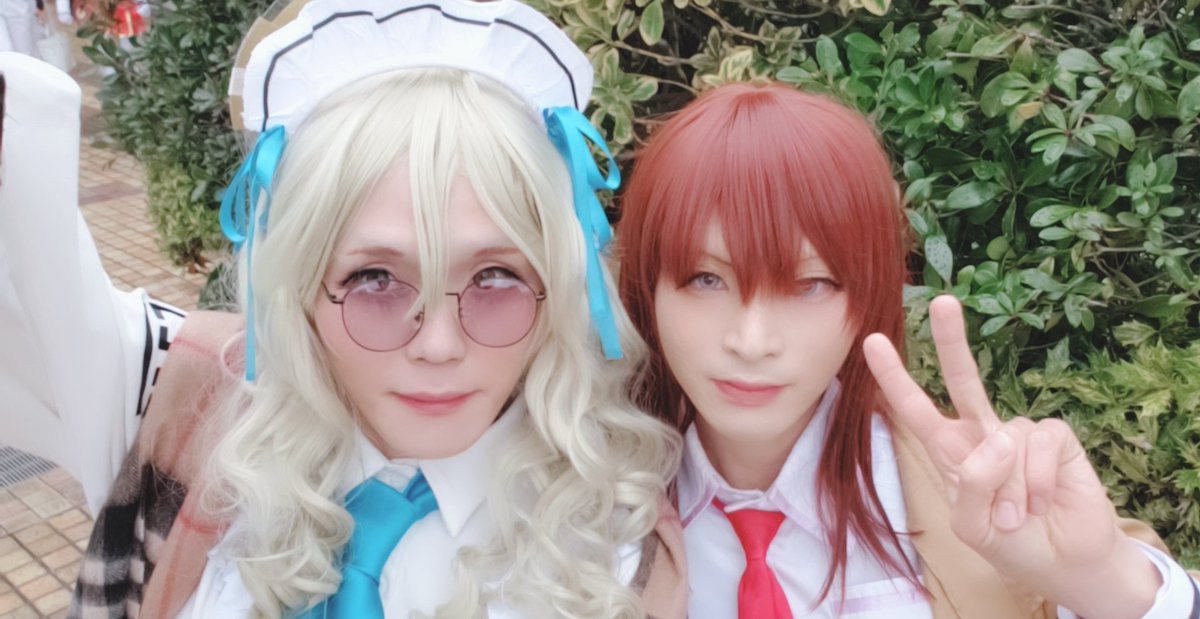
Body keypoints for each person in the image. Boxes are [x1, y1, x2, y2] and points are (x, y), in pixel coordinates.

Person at [0, 0, 683, 616]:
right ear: (300, 283)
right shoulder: (181, 408)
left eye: (496, 277)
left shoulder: (620, 544)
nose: (438, 344)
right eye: (375, 280)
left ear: (558, 287)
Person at [616, 82, 1199, 618]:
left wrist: (1100, 581)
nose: (751, 342)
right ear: (647, 287)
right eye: (706, 279)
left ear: (868, 293)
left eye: (810, 284)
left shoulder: (968, 504)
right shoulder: (590, 518)